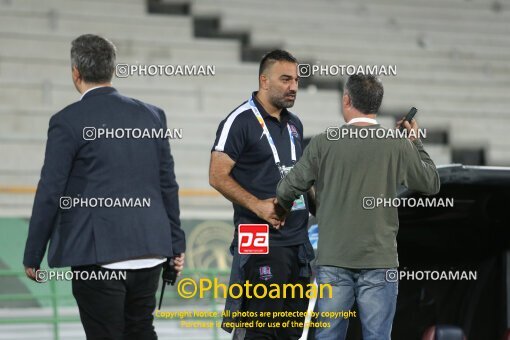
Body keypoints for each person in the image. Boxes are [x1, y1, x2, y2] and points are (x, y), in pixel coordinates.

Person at [22, 34, 185, 340]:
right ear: (112, 69)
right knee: (141, 331)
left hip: (98, 257)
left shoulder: (66, 121)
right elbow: (168, 185)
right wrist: (176, 245)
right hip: (151, 251)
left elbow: (50, 191)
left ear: (75, 72)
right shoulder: (153, 115)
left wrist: (33, 253)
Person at [276, 74, 440, 340]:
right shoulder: (396, 144)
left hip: (333, 262)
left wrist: (283, 209)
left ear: (346, 100)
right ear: (376, 104)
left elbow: (286, 189)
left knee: (328, 336)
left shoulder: (323, 142)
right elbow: (432, 182)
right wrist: (415, 141)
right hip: (379, 262)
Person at [209, 50, 315, 340]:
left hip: (298, 244)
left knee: (291, 334)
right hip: (260, 242)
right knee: (259, 332)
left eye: (296, 80)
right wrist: (257, 206)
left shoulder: (295, 124)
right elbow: (217, 175)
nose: (293, 86)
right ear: (264, 80)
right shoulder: (239, 120)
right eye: (285, 79)